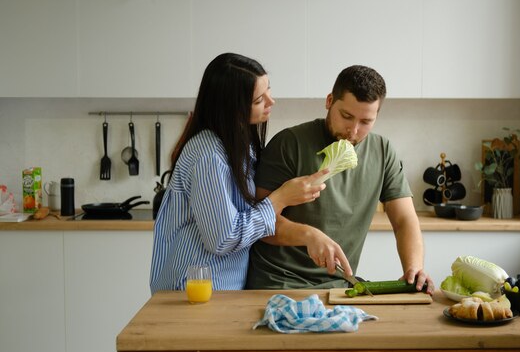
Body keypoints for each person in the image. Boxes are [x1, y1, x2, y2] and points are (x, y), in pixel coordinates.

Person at [149, 53, 333, 293]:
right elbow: (223, 238)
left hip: (222, 289)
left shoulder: (241, 145)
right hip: (190, 291)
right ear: (231, 107)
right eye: (259, 99)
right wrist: (281, 197)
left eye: (269, 90)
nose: (271, 101)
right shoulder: (209, 155)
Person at [246, 65, 434, 294]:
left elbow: (404, 219)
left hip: (340, 285)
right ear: (329, 101)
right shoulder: (289, 143)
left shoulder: (383, 152)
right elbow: (258, 223)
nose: (353, 131)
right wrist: (309, 236)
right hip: (278, 281)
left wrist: (414, 268)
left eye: (366, 121)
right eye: (346, 116)